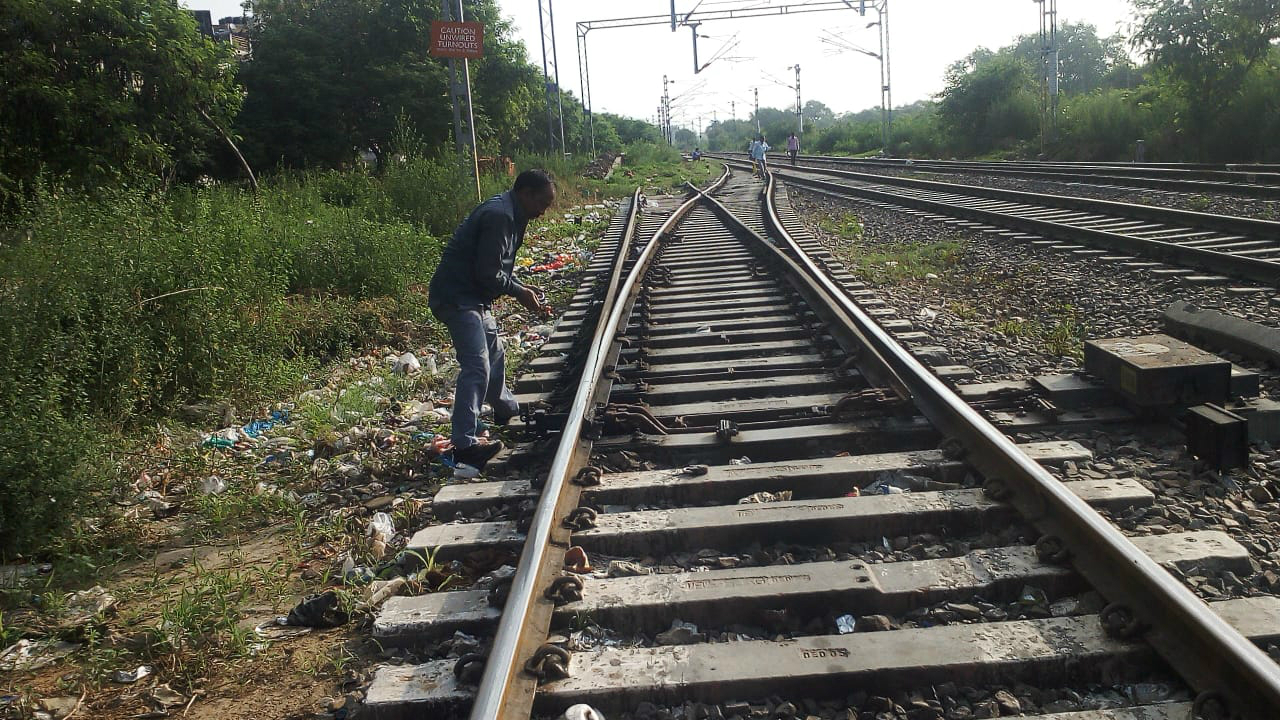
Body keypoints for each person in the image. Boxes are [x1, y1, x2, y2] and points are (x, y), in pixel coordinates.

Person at [428, 170, 556, 478]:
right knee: (477, 366)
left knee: (495, 355)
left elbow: (495, 268)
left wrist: (523, 286)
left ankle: (506, 410)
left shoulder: (515, 213)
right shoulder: (499, 216)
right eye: (542, 202)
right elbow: (488, 273)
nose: (543, 211)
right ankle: (465, 446)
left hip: (474, 298)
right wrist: (520, 292)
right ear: (525, 192)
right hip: (457, 298)